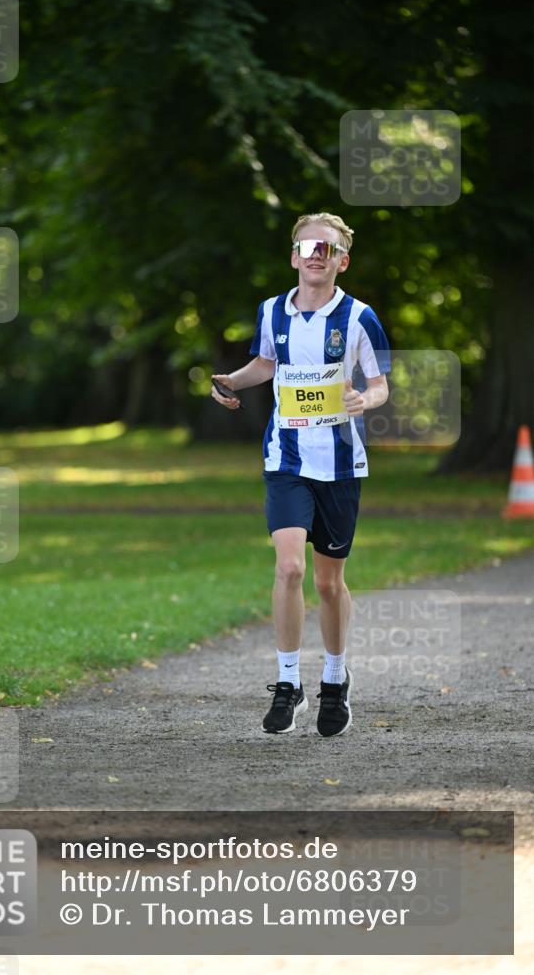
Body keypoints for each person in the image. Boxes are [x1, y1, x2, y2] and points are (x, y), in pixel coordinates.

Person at [211, 213, 390, 737]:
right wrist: (233, 381)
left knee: (328, 583)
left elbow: (380, 383)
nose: (316, 255)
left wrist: (364, 400)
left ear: (341, 261)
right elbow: (268, 364)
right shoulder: (272, 311)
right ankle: (288, 683)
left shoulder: (359, 317)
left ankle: (335, 679)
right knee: (289, 568)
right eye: (308, 247)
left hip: (339, 463)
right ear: (294, 256)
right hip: (286, 457)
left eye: (326, 249)